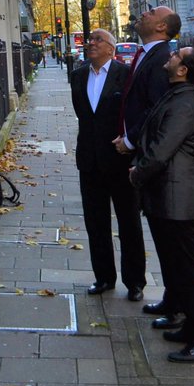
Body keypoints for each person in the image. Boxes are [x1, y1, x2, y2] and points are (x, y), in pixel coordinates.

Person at [129, 46, 194, 363]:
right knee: (177, 266)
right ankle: (190, 325)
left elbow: (162, 148)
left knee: (189, 270)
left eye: (176, 56)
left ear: (183, 70)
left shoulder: (185, 103)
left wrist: (137, 173)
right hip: (168, 193)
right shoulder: (177, 95)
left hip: (180, 196)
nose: (170, 57)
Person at [111, 4, 181, 326]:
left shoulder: (163, 58)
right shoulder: (146, 54)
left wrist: (130, 140)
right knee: (161, 238)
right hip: (143, 157)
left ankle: (179, 308)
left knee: (171, 242)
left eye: (152, 12)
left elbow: (156, 110)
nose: (144, 13)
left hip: (155, 162)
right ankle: (172, 299)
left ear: (162, 27)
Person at [70, 30, 146, 301]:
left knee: (129, 223)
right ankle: (103, 277)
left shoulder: (125, 75)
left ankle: (135, 282)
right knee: (95, 223)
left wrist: (129, 143)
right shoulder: (78, 75)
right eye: (90, 40)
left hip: (119, 160)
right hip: (89, 161)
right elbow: (83, 116)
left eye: (98, 40)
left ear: (111, 48)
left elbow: (137, 113)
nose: (91, 43)